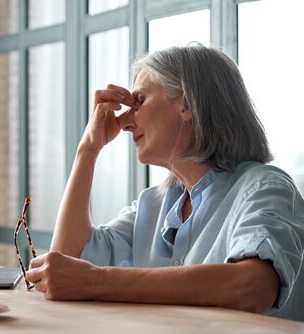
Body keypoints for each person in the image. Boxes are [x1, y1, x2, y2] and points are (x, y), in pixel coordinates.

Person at [25, 45, 304, 321]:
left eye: (140, 101)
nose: (125, 123)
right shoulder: (154, 204)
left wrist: (97, 281)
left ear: (186, 104)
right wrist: (88, 149)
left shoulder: (264, 187)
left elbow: (253, 287)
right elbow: (67, 267)